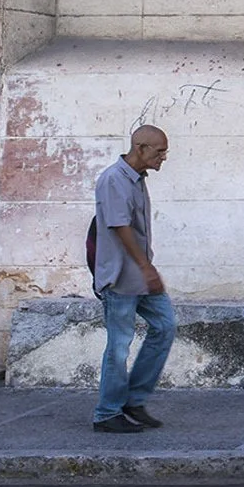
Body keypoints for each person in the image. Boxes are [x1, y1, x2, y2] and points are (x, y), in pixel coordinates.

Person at [91, 125, 176, 433]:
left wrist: (146, 269)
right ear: (140, 148)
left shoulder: (137, 180)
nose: (163, 158)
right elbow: (120, 226)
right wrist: (146, 268)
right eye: (159, 152)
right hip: (122, 277)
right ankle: (107, 413)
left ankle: (134, 400)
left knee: (165, 327)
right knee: (119, 346)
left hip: (141, 276)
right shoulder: (114, 179)